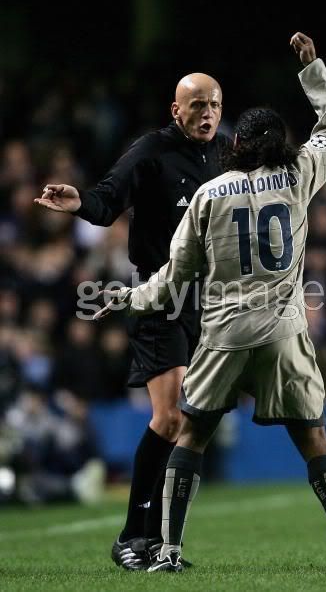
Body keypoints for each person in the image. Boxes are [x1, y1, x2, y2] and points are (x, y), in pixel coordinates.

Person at [95, 32, 326, 574]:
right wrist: (312, 69)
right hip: (283, 333)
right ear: (283, 144)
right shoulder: (299, 176)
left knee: (192, 432)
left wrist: (129, 299)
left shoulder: (207, 194)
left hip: (222, 335)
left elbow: (173, 275)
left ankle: (168, 551)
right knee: (313, 434)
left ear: (238, 144)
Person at [35, 72, 231, 569]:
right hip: (158, 294)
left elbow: (271, 183)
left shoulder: (228, 153)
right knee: (169, 418)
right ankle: (132, 536)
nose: (207, 114)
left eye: (214, 105)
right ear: (175, 110)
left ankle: (157, 540)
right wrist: (77, 201)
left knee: (190, 423)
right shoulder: (150, 151)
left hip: (210, 300)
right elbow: (106, 202)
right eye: (197, 105)